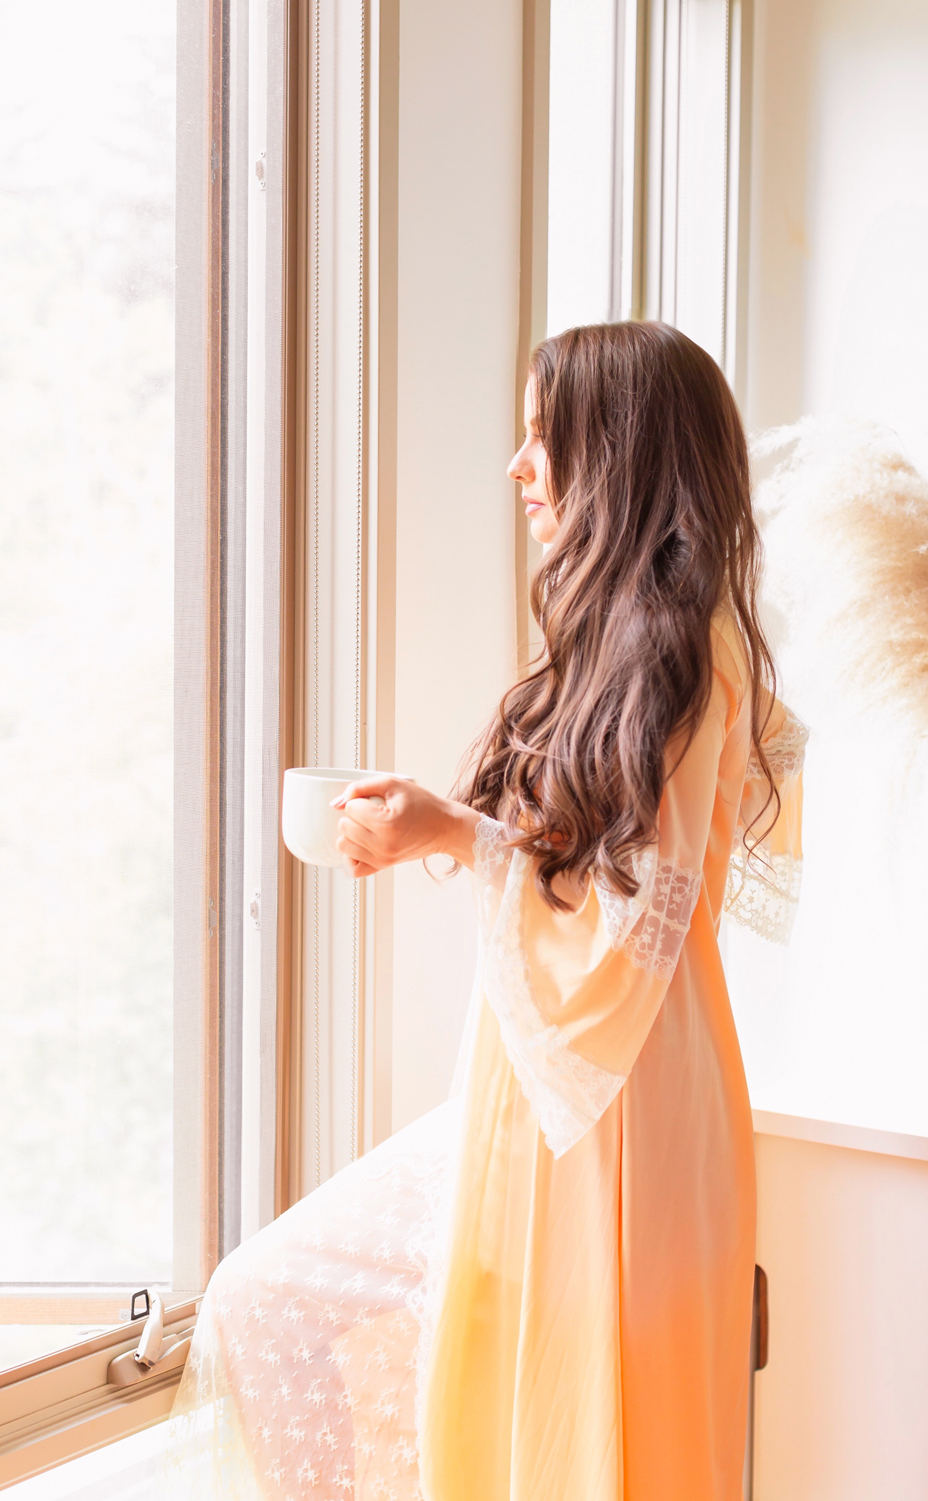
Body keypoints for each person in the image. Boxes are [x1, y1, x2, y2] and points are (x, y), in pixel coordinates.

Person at [164, 321, 806, 1501]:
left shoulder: (688, 654)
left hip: (620, 1107)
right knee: (287, 1300)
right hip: (552, 1085)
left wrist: (453, 833)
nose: (517, 468)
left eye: (538, 438)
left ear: (608, 456)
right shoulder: (615, 644)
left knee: (582, 1424)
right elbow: (593, 866)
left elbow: (640, 927)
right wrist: (446, 826)